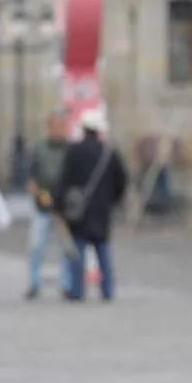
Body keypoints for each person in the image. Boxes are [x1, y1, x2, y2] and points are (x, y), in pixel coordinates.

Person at [56, 107, 127, 302]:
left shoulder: (74, 151)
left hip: (78, 210)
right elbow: (122, 180)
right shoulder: (109, 152)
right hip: (102, 209)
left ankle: (77, 290)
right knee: (103, 250)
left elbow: (63, 180)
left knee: (77, 252)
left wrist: (59, 205)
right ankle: (107, 290)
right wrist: (113, 200)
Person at [26, 110, 74, 300]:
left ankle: (67, 284)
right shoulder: (39, 148)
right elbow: (32, 177)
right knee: (36, 245)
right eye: (55, 126)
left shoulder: (71, 149)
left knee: (66, 247)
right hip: (43, 203)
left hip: (63, 207)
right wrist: (38, 194)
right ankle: (34, 283)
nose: (58, 130)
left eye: (61, 126)